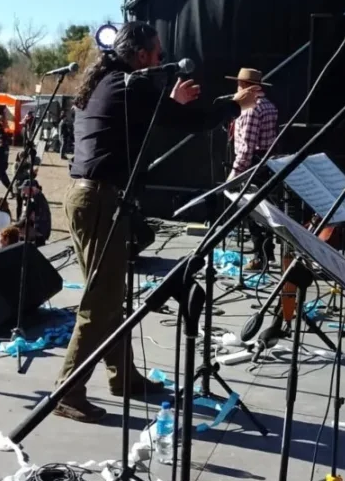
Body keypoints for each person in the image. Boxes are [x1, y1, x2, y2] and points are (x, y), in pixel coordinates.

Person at [54, 21, 259, 423]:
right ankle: (67, 391)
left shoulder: (113, 83)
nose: (163, 60)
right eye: (159, 54)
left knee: (111, 298)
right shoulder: (127, 86)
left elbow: (156, 118)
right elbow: (191, 122)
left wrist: (172, 101)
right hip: (99, 200)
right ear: (142, 56)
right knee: (100, 304)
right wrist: (236, 105)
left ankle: (123, 377)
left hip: (91, 198)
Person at [226, 68, 278, 272]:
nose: (237, 88)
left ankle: (260, 257)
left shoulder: (251, 109)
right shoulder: (269, 105)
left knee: (252, 211)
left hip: (253, 164)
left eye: (239, 85)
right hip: (266, 164)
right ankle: (266, 253)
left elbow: (247, 146)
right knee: (263, 211)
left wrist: (235, 173)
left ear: (246, 87)